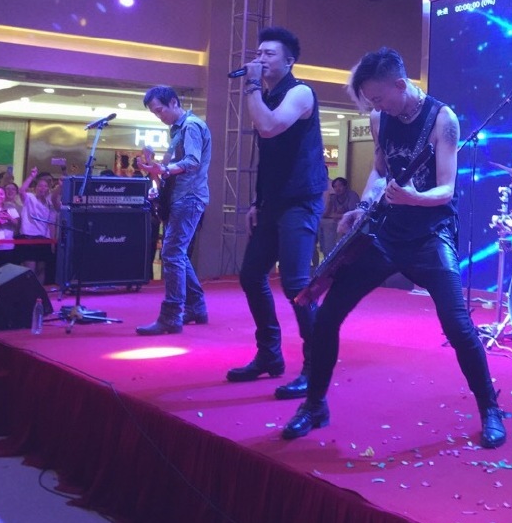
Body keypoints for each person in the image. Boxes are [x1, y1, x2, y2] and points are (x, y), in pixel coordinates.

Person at [281, 47, 507, 449]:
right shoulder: (378, 117)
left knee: (458, 326)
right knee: (327, 315)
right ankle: (314, 405)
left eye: (380, 98)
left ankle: (489, 406)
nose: (376, 106)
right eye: (371, 100)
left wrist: (414, 198)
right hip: (385, 234)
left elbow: (446, 190)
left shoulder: (443, 119)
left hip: (430, 235)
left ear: (401, 85)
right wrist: (364, 205)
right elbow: (379, 171)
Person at [226, 26, 327, 401]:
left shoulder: (300, 92)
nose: (260, 58)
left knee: (297, 286)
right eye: (258, 53)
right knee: (251, 275)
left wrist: (252, 85)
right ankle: (269, 354)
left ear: (289, 61)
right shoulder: (266, 95)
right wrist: (257, 202)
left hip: (301, 200)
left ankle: (315, 368)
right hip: (273, 202)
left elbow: (268, 128)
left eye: (269, 54)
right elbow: (268, 158)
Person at [135, 86, 212, 335]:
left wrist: (164, 169)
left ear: (174, 102)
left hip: (188, 197)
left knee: (172, 254)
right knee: (176, 254)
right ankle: (195, 307)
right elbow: (177, 166)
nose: (159, 116)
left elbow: (192, 161)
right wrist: (156, 168)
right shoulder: (180, 128)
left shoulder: (191, 126)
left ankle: (172, 315)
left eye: (160, 110)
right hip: (183, 197)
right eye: (155, 113)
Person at [19, 168, 60, 284]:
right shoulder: (30, 198)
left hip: (44, 238)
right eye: (40, 186)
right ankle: (28, 292)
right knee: (30, 269)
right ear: (35, 188)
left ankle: (39, 292)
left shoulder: (49, 203)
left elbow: (51, 224)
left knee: (41, 269)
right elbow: (21, 190)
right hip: (29, 237)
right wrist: (31, 176)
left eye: (45, 186)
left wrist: (52, 242)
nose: (42, 188)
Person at [319, 176, 358, 261]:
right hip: (339, 223)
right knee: (323, 224)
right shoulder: (334, 197)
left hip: (352, 224)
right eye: (335, 186)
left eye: (340, 185)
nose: (337, 188)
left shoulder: (352, 195)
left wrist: (337, 215)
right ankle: (327, 256)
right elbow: (328, 214)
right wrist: (329, 202)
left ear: (345, 186)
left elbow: (352, 214)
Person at [0, 185, 20, 273]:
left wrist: (9, 218)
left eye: (1, 194)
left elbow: (17, 225)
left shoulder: (10, 208)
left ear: (5, 196)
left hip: (7, 247)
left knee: (6, 275)